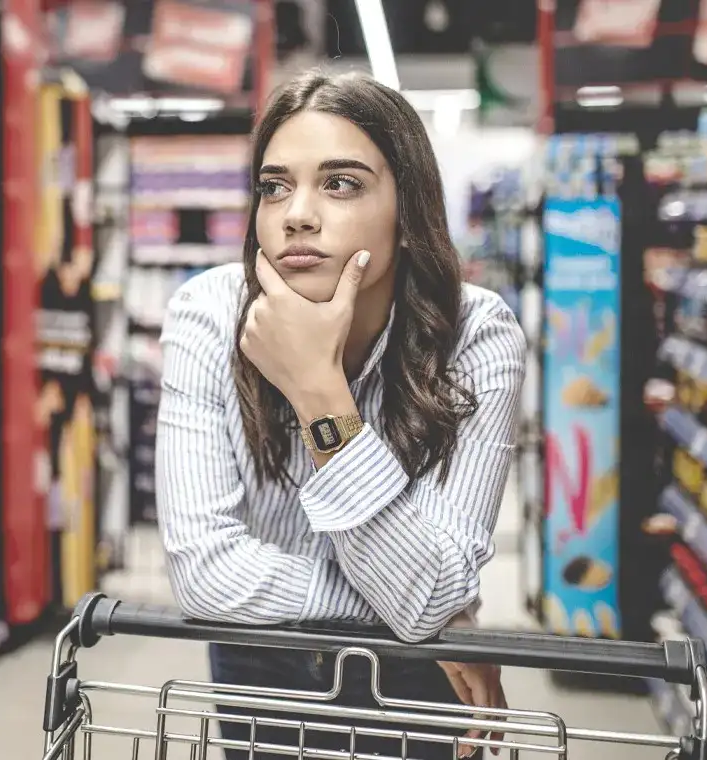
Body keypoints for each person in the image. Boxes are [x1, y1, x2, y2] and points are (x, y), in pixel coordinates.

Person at [156, 68, 527, 760]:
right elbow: (205, 573)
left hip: (414, 677)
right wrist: (427, 606)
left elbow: (426, 600)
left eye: (341, 183)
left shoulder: (475, 336)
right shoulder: (206, 317)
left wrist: (318, 389)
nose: (297, 212)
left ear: (408, 211)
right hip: (263, 662)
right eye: (274, 187)